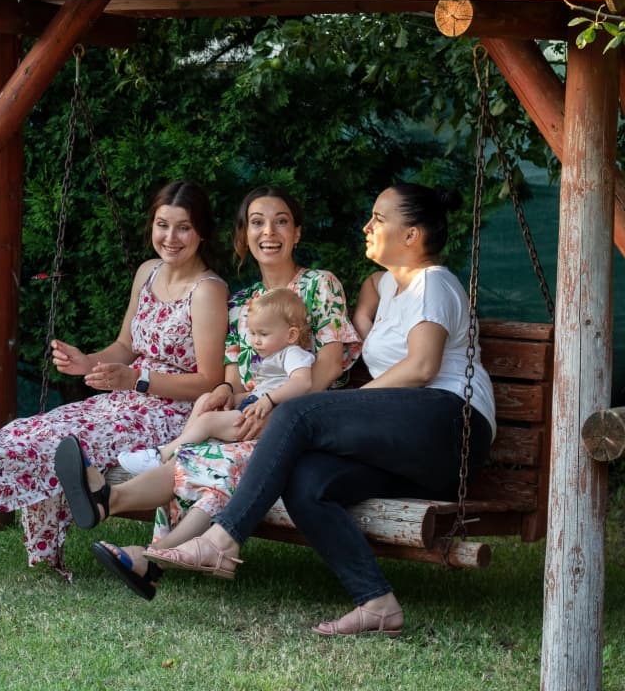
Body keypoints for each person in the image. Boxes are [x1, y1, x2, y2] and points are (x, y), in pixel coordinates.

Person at [142, 183, 496, 637]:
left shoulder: (434, 282)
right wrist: (367, 315)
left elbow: (422, 367)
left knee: (298, 412)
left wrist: (344, 402)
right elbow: (373, 285)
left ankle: (221, 539)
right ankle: (377, 602)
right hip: (413, 446)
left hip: (450, 424)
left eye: (379, 219)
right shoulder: (393, 282)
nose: (367, 226)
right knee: (308, 483)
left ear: (411, 236)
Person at [0, 181, 231, 578]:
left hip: (171, 418)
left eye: (183, 228)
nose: (170, 238)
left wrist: (138, 380)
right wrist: (86, 361)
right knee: (40, 426)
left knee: (62, 444)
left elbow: (209, 381)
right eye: (162, 225)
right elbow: (125, 345)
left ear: (202, 233)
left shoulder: (208, 291)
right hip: (124, 402)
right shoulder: (148, 272)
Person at [56, 185, 361, 600]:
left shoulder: (319, 285)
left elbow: (326, 366)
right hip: (250, 417)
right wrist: (219, 394)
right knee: (201, 449)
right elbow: (234, 379)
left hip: (305, 419)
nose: (269, 231)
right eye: (257, 222)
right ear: (243, 235)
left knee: (222, 457)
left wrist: (281, 409)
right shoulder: (241, 305)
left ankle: (124, 519)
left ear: (297, 233)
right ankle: (139, 542)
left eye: (281, 221)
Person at [117, 287, 315, 474]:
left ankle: (161, 457)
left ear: (291, 335)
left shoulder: (293, 354)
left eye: (263, 334)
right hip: (257, 408)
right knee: (206, 399)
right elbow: (261, 391)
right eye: (253, 334)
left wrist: (268, 399)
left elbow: (302, 383)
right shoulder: (271, 359)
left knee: (209, 421)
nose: (256, 341)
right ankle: (176, 450)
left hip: (272, 420)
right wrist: (235, 398)